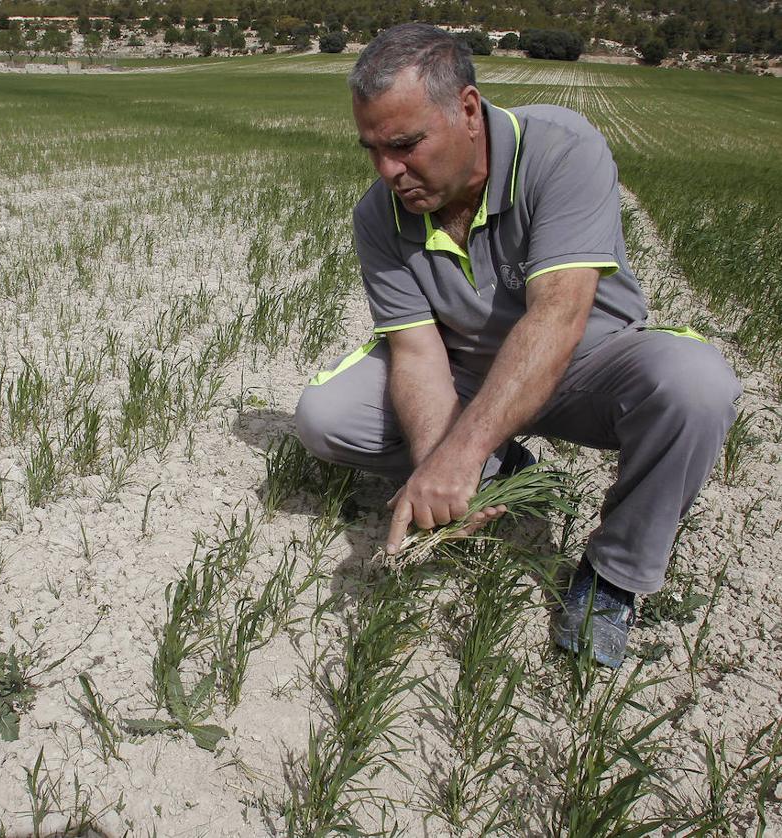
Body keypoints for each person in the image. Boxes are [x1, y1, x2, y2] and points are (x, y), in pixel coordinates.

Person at [294, 23, 741, 667]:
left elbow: (557, 318)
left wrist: (460, 453)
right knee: (326, 415)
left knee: (697, 385)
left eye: (405, 144)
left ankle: (612, 577)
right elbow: (419, 355)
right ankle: (506, 478)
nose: (387, 170)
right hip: (467, 375)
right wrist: (436, 460)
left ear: (468, 111)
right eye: (372, 149)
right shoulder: (379, 215)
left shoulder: (559, 150)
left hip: (586, 364)